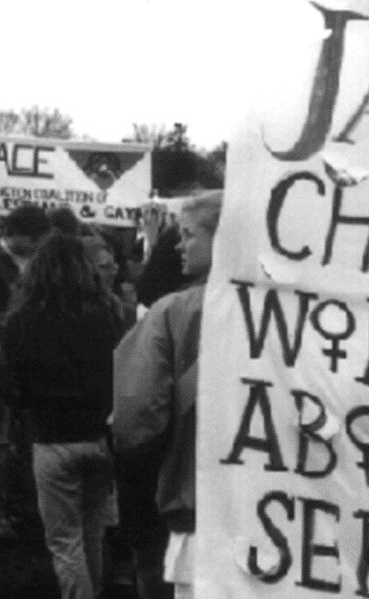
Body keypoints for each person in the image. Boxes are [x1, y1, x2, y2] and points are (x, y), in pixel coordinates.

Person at [113, 190, 223, 599]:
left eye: (190, 234)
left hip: (200, 515)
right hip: (296, 525)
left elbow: (135, 421)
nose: (179, 244)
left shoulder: (173, 312)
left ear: (225, 237)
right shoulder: (309, 313)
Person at [0, 232, 119, 599]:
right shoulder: (110, 313)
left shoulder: (21, 320)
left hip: (51, 440)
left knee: (64, 542)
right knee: (91, 535)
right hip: (102, 437)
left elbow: (12, 385)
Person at [0, 204, 51, 541]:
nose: (37, 247)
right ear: (15, 236)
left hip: (21, 365)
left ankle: (17, 506)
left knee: (13, 441)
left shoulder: (35, 265)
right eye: (34, 240)